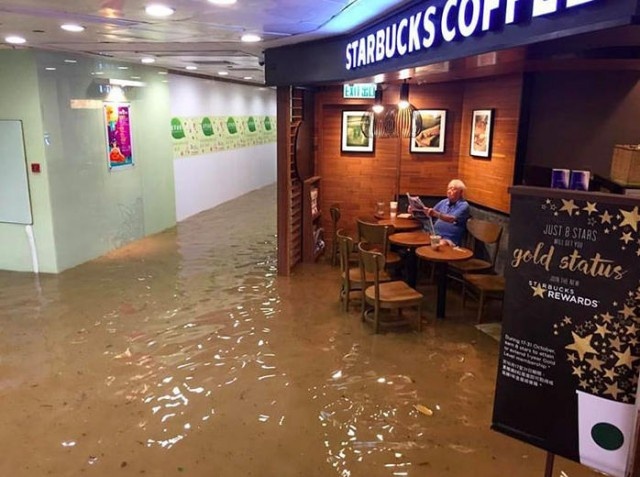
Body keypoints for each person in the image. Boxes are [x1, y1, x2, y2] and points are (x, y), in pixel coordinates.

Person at [408, 179, 470, 246]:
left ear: (461, 192)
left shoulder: (463, 205)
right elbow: (430, 215)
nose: (449, 191)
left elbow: (451, 219)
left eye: (453, 189)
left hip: (448, 239)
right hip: (434, 234)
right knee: (414, 237)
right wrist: (414, 211)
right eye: (449, 189)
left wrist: (435, 213)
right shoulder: (443, 202)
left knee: (439, 244)